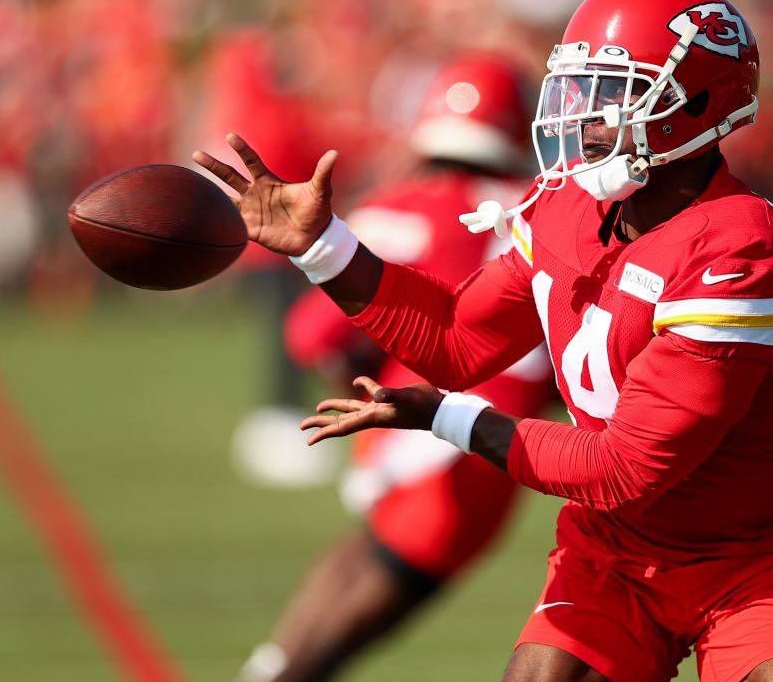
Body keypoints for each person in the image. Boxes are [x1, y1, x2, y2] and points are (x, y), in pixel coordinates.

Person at [198, 0, 773, 682]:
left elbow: (626, 469)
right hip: (614, 557)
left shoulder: (738, 250)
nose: (584, 116)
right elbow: (455, 336)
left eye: (613, 92)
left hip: (750, 563)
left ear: (694, 104)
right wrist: (324, 247)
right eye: (581, 88)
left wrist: (450, 420)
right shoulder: (567, 207)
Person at [237, 53, 556, 682]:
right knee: (367, 583)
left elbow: (311, 337)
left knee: (363, 565)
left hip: (409, 421)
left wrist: (359, 382)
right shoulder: (544, 209)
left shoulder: (396, 204)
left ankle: (270, 669)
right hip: (492, 441)